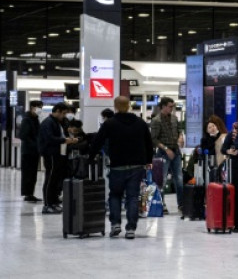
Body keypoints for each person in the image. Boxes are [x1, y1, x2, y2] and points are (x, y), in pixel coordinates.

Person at [89, 96, 153, 239]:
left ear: (115, 106)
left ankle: (115, 224)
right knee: (132, 197)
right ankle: (130, 228)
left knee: (115, 195)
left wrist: (90, 157)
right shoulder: (140, 122)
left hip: (117, 165)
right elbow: (149, 143)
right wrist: (149, 160)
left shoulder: (110, 123)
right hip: (137, 165)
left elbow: (97, 141)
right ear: (129, 105)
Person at [38, 102, 78, 214]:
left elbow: (61, 134)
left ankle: (53, 201)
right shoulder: (48, 123)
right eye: (63, 113)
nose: (64, 116)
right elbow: (50, 138)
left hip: (58, 154)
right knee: (50, 178)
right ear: (57, 111)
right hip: (50, 153)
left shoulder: (58, 122)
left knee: (56, 179)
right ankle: (47, 205)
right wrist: (65, 140)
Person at [149, 97, 184, 211]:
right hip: (163, 153)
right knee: (161, 180)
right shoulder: (156, 121)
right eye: (170, 106)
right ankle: (161, 203)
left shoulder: (174, 118)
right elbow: (154, 139)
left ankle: (181, 204)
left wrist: (180, 138)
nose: (172, 108)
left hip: (176, 151)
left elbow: (179, 130)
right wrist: (166, 149)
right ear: (163, 107)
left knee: (179, 178)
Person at [20, 100, 43, 203]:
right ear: (32, 107)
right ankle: (27, 194)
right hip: (28, 151)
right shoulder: (27, 119)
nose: (40, 109)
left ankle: (30, 193)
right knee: (28, 174)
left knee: (33, 174)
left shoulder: (35, 119)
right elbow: (23, 135)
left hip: (34, 151)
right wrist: (35, 144)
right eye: (39, 107)